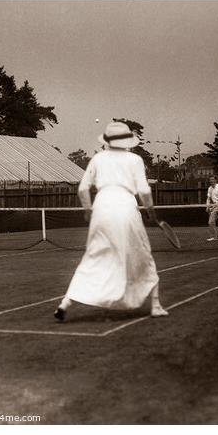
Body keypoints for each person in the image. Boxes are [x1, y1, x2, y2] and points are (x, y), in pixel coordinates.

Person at [54, 121, 168, 321]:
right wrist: (151, 211)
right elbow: (144, 190)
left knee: (93, 256)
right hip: (125, 207)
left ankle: (65, 303)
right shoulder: (134, 160)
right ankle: (156, 305)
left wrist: (88, 210)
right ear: (128, 141)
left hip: (101, 207)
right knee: (144, 256)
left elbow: (82, 189)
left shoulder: (98, 159)